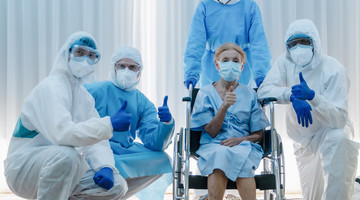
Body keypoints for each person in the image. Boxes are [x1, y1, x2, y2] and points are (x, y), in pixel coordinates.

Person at [4, 32, 130, 200]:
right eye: (80, 53)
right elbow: (63, 134)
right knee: (66, 155)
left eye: (92, 56)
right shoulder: (50, 88)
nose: (85, 60)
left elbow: (97, 141)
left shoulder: (84, 97)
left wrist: (104, 165)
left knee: (117, 186)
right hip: (24, 168)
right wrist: (109, 124)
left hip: (61, 167)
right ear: (67, 54)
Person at [257, 19, 359, 200]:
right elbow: (264, 90)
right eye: (293, 43)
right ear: (287, 47)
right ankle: (356, 188)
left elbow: (339, 120)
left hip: (329, 132)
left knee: (339, 138)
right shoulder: (286, 63)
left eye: (304, 42)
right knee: (312, 197)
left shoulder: (334, 70)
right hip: (303, 139)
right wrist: (292, 95)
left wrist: (313, 97)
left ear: (315, 43)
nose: (299, 48)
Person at [84, 46, 175, 199]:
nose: (126, 71)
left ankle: (116, 193)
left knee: (163, 159)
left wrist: (166, 123)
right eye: (122, 66)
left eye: (132, 67)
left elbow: (154, 142)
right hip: (94, 147)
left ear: (139, 71)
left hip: (124, 151)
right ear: (114, 67)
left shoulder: (142, 102)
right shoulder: (95, 90)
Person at [190, 42, 270, 200]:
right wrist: (224, 106)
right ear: (217, 64)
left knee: (242, 157)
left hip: (244, 145)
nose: (230, 64)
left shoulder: (250, 94)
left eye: (235, 60)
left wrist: (240, 139)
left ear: (242, 66)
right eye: (225, 60)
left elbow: (258, 135)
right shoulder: (205, 93)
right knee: (219, 155)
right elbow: (211, 131)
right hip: (213, 144)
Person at [183, 0, 271, 90]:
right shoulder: (204, 8)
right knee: (212, 104)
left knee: (243, 104)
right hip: (212, 69)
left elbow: (259, 44)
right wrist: (191, 73)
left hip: (242, 67)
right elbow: (195, 43)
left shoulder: (249, 7)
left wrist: (261, 75)